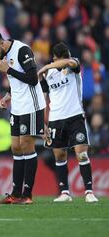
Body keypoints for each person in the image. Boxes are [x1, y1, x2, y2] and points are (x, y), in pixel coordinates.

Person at [0, 29, 46, 204]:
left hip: (31, 105)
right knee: (16, 147)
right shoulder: (3, 54)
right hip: (17, 105)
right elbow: (17, 81)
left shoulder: (22, 50)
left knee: (26, 145)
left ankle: (27, 195)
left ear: (1, 44)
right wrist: (8, 94)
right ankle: (16, 194)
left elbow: (33, 79)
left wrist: (8, 70)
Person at [38, 42, 99, 203]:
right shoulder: (48, 73)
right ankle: (64, 192)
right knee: (59, 155)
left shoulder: (73, 65)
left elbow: (70, 62)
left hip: (75, 116)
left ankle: (89, 192)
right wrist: (43, 123)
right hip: (55, 119)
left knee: (82, 153)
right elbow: (44, 98)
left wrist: (45, 67)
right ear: (55, 57)